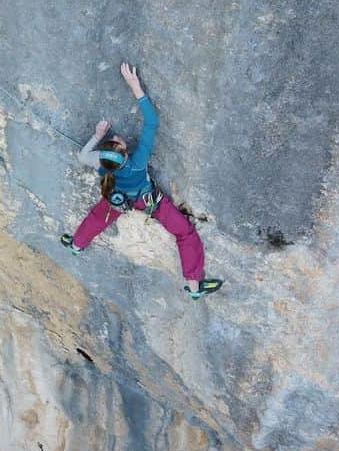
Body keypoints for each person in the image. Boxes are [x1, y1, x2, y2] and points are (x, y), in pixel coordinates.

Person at [61, 63, 223, 299]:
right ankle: (195, 286)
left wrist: (96, 136)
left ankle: (76, 245)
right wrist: (136, 87)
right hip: (150, 202)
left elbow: (83, 156)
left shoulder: (101, 164)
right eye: (117, 141)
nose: (117, 136)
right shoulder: (137, 161)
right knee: (185, 233)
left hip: (117, 198)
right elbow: (151, 123)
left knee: (97, 218)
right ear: (125, 153)